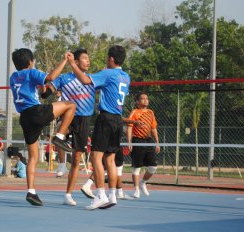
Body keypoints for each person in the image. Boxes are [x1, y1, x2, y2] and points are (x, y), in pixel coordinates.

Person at [10, 48, 76, 206]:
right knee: (71, 106)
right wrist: (65, 60)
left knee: (33, 157)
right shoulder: (31, 72)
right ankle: (60, 137)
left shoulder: (13, 77)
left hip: (24, 117)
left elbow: (37, 89)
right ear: (30, 62)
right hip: (36, 112)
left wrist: (44, 89)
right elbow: (51, 77)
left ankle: (31, 191)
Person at [68, 45, 131, 210]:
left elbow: (85, 80)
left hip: (106, 119)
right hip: (118, 120)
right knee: (109, 159)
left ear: (111, 59)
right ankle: (112, 195)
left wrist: (72, 64)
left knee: (96, 158)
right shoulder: (125, 77)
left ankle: (100, 195)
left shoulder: (108, 73)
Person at [41, 48, 95, 206]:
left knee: (78, 158)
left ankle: (68, 194)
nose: (88, 61)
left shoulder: (91, 79)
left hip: (83, 119)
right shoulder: (64, 78)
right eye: (85, 58)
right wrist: (45, 89)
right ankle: (62, 164)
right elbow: (47, 91)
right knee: (59, 133)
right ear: (76, 62)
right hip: (67, 116)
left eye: (88, 58)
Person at [127, 92, 160, 198]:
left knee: (153, 167)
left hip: (149, 141)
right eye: (142, 98)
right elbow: (129, 127)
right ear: (137, 101)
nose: (145, 100)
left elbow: (153, 128)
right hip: (137, 141)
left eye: (147, 98)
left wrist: (157, 143)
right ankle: (136, 189)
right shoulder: (134, 112)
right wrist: (129, 142)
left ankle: (143, 182)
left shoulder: (151, 112)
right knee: (137, 167)